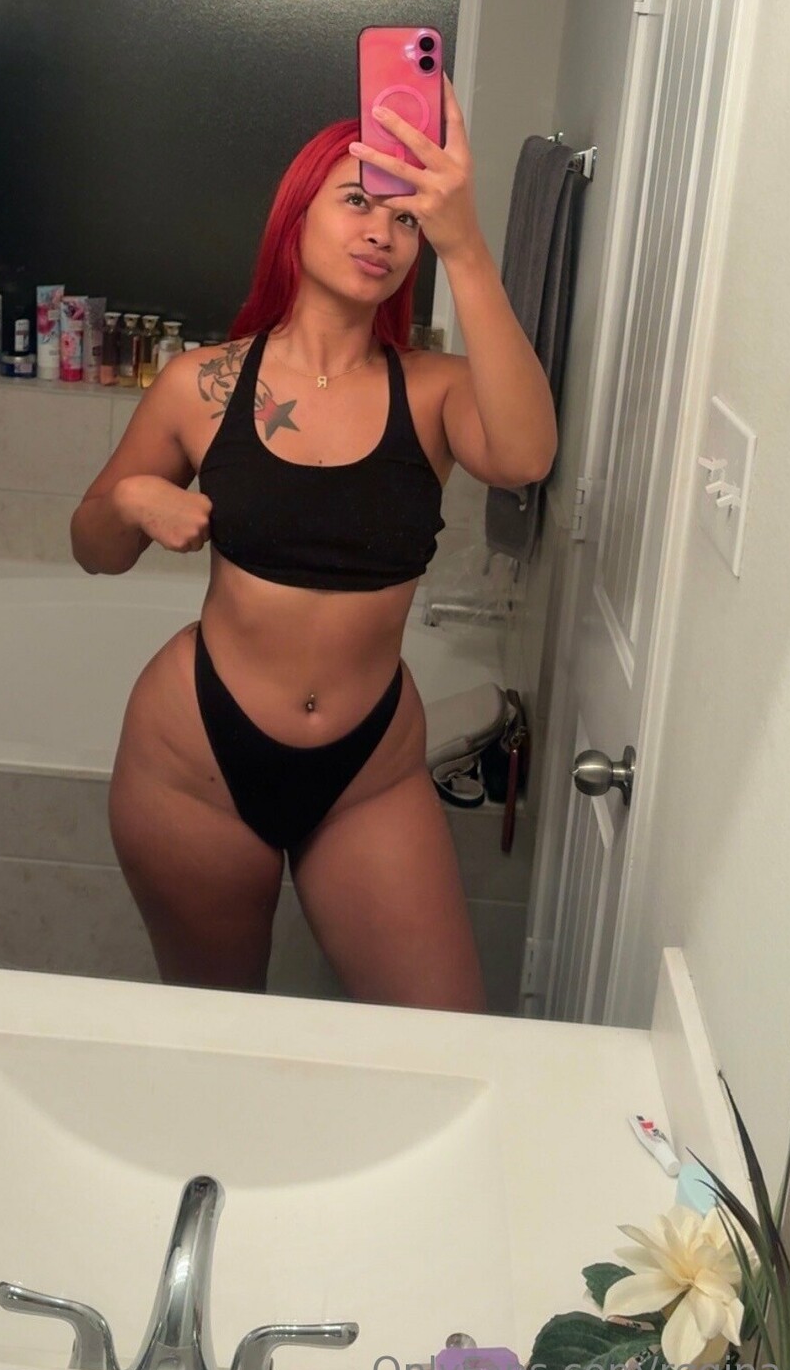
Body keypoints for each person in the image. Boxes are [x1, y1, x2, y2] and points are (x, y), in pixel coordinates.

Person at [71, 76, 557, 1009]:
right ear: (297, 215)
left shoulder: (435, 388)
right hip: (195, 762)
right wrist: (132, 499)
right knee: (219, 1029)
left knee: (442, 1035)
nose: (382, 232)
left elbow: (526, 455)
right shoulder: (200, 384)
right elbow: (94, 548)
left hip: (368, 772)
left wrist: (465, 245)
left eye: (406, 219)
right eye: (357, 202)